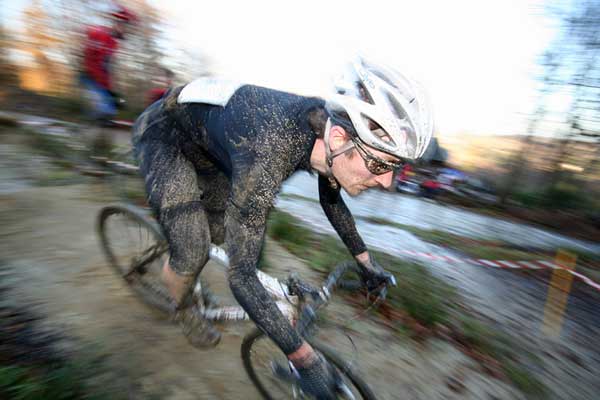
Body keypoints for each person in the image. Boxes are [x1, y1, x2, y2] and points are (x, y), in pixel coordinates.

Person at [132, 57, 434, 399]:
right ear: (339, 139)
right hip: (166, 138)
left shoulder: (328, 132)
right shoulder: (270, 151)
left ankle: (182, 240)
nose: (387, 182)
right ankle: (184, 307)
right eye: (380, 164)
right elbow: (241, 278)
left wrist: (367, 263)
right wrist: (305, 360)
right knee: (193, 248)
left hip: (214, 147)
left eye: (396, 167)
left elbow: (331, 199)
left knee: (221, 232)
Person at [80, 5, 136, 154]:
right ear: (118, 24)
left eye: (127, 28)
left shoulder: (114, 43)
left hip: (102, 84)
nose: (126, 31)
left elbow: (109, 69)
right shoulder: (100, 34)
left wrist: (114, 94)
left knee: (110, 112)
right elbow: (91, 58)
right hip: (90, 79)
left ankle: (100, 149)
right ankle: (89, 144)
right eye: (125, 27)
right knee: (103, 112)